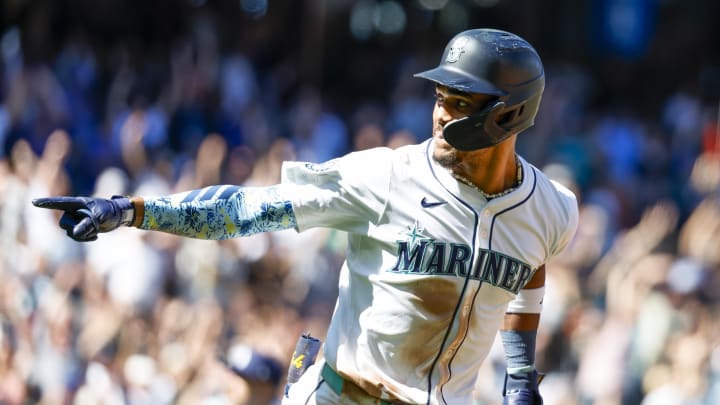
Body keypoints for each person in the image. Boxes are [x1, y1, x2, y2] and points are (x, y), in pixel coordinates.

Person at [33, 28, 579, 405]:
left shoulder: (552, 210)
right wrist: (131, 210)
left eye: (460, 102)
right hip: (344, 392)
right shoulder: (386, 176)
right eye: (440, 96)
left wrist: (521, 373)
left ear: (508, 113)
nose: (440, 113)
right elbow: (250, 210)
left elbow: (529, 267)